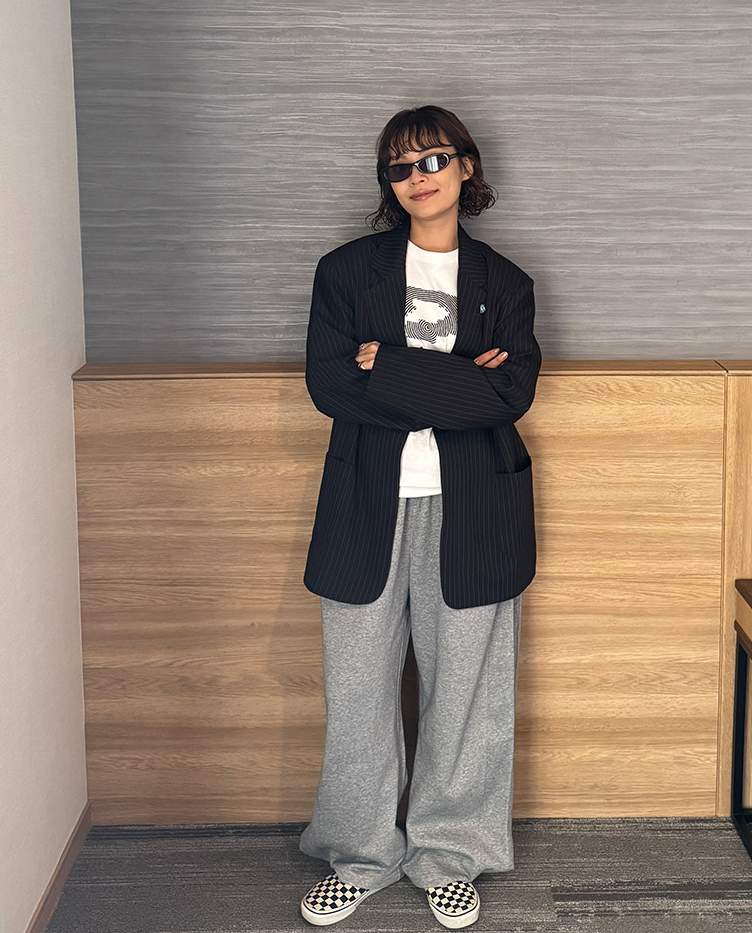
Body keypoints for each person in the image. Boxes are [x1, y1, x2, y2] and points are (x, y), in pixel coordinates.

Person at [299, 104, 542, 928]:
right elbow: (331, 386)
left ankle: (450, 856)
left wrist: (391, 369)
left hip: (476, 506)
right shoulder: (346, 272)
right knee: (357, 691)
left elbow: (509, 397)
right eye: (400, 167)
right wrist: (458, 383)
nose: (418, 178)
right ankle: (360, 855)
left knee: (466, 694)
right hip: (365, 504)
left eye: (433, 159)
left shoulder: (507, 284)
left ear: (466, 166)